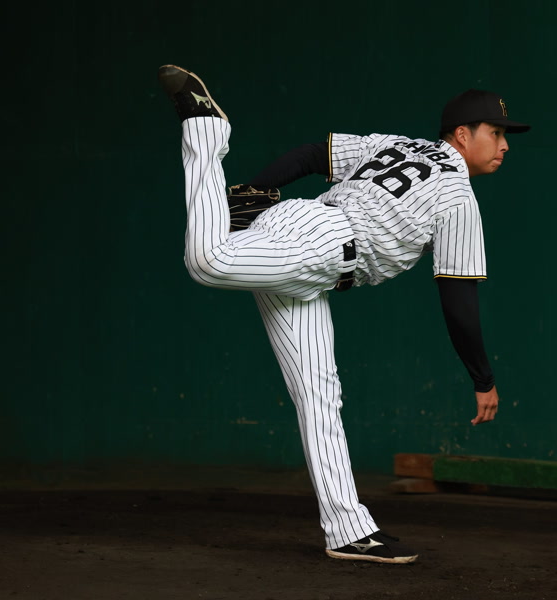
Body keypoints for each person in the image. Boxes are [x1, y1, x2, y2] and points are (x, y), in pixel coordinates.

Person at [157, 64, 530, 564]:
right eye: (496, 133)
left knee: (319, 396)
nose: (504, 145)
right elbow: (458, 300)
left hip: (311, 256)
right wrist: (483, 379)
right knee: (207, 261)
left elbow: (313, 155)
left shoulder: (397, 145)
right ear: (463, 135)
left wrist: (257, 189)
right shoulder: (457, 196)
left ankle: (348, 529)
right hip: (322, 243)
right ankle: (205, 130)